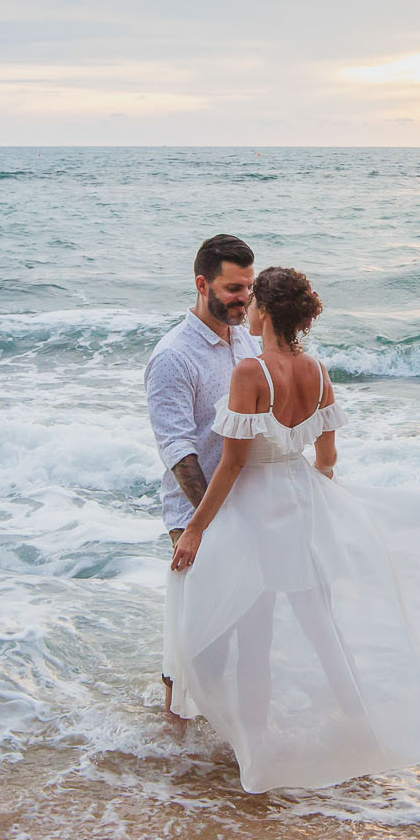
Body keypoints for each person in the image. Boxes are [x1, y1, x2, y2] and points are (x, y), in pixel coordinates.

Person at [164, 265, 420, 792]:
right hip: (302, 508)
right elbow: (328, 459)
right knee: (323, 629)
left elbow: (231, 466)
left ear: (266, 311)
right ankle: (362, 732)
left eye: (254, 301)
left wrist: (196, 529)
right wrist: (310, 499)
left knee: (255, 635)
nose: (248, 308)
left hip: (256, 513)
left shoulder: (250, 373)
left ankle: (257, 757)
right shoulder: (316, 370)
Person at [145, 234, 262, 721]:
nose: (244, 299)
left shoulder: (246, 339)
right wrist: (212, 521)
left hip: (249, 508)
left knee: (248, 632)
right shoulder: (173, 356)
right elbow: (178, 451)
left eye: (249, 287)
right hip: (196, 514)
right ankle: (175, 742)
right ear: (202, 285)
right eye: (234, 288)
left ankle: (228, 738)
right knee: (196, 637)